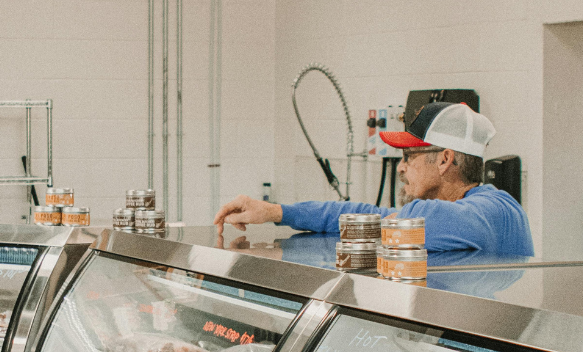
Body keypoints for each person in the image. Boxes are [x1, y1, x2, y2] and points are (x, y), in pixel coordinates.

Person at [215, 102, 534, 255]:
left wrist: (395, 219)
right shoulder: (465, 207)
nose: (400, 168)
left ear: (445, 160)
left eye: (409, 158)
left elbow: (420, 219)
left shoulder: (495, 210)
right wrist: (276, 212)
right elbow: (366, 215)